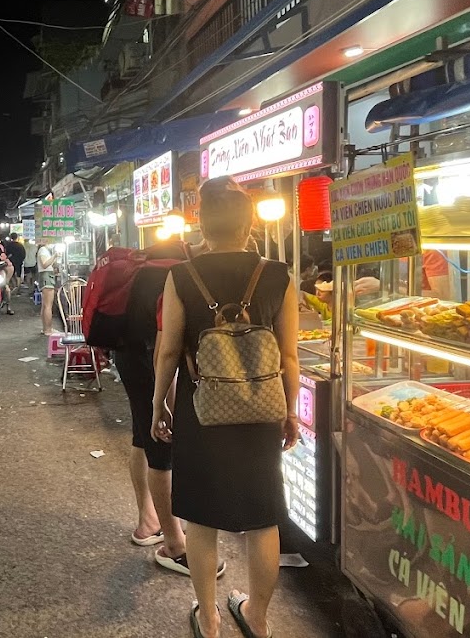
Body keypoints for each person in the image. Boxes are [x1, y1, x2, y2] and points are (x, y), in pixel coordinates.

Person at [152, 182, 300, 638]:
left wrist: (159, 403)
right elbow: (289, 355)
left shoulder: (182, 275)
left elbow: (168, 352)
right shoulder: (278, 274)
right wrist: (289, 411)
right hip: (261, 410)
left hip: (203, 410)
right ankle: (256, 617)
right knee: (262, 515)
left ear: (201, 225)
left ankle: (211, 620)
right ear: (250, 224)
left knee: (200, 517)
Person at [112, 233, 198, 570]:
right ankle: (176, 545)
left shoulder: (142, 270)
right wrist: (164, 401)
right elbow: (166, 348)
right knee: (162, 446)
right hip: (151, 364)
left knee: (141, 438)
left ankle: (149, 522)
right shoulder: (172, 278)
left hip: (128, 358)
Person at [37, 240, 59, 335]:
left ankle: (46, 328)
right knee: (48, 306)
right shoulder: (43, 250)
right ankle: (48, 329)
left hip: (46, 276)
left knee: (45, 305)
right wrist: (55, 255)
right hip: (46, 277)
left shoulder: (44, 250)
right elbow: (45, 264)